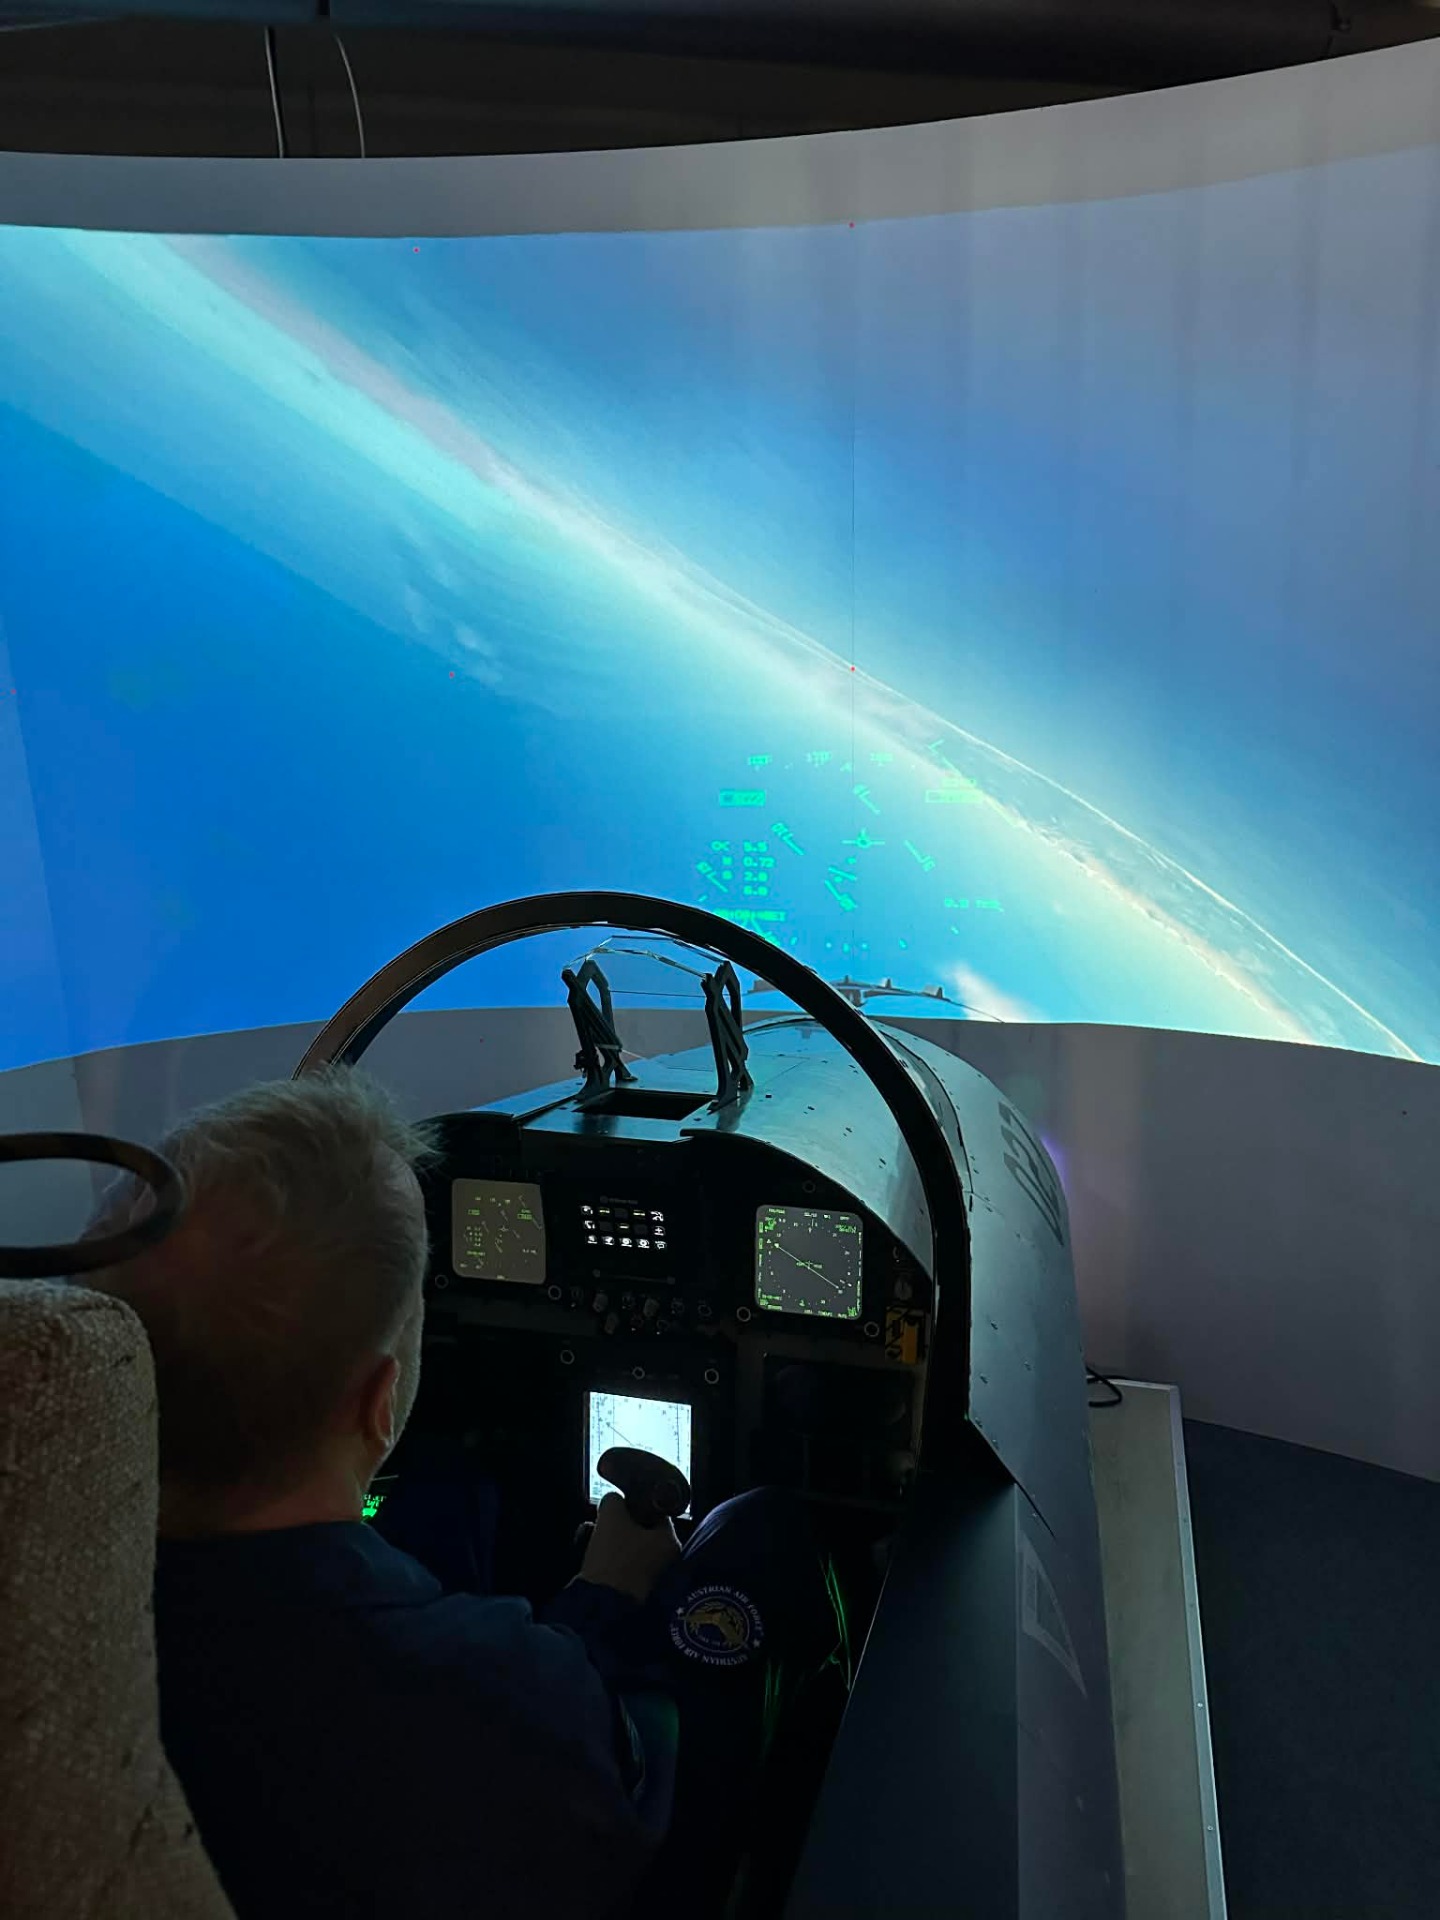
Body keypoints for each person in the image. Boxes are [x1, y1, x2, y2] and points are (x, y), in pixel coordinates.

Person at [82, 1070, 846, 1920]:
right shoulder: (495, 1697)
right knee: (757, 1532)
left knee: (458, 1490)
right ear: (380, 1403)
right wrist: (612, 1597)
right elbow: (625, 1779)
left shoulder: (58, 1626)